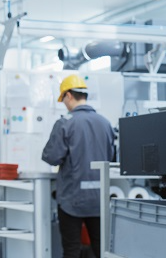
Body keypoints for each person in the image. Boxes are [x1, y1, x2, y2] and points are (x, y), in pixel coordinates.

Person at [42, 74, 115, 258]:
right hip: (100, 199)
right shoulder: (106, 124)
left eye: (63, 99)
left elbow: (51, 157)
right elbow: (112, 157)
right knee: (102, 250)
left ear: (68, 95)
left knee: (72, 250)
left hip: (71, 199)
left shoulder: (65, 123)